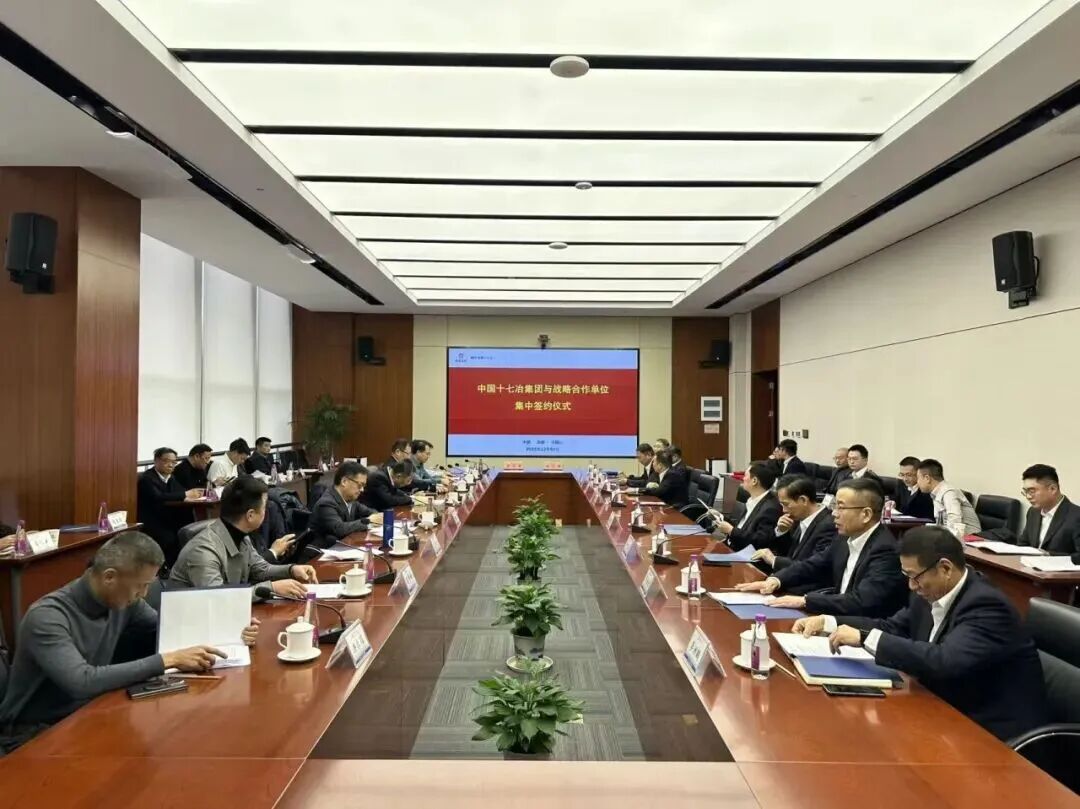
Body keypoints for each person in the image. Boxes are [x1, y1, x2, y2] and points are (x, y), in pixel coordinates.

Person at [794, 526, 1048, 741]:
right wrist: (829, 622)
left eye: (914, 577)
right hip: (941, 706)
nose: (911, 586)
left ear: (945, 568)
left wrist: (864, 638)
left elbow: (944, 660)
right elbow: (891, 627)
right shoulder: (929, 592)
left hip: (988, 729)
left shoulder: (986, 605)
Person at [0, 532, 236, 751]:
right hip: (32, 734)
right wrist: (167, 660)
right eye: (141, 586)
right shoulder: (47, 617)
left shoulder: (124, 601)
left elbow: (169, 629)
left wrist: (235, 631)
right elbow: (81, 681)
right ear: (109, 577)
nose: (144, 595)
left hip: (88, 715)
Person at [737, 478, 907, 618]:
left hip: (858, 627)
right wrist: (776, 580)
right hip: (835, 615)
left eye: (841, 507)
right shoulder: (844, 538)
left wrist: (806, 601)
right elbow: (813, 565)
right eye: (834, 506)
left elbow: (862, 601)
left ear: (866, 514)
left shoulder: (885, 550)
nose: (834, 513)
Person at [169, 477, 316, 600]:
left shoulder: (241, 535)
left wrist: (291, 570)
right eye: (264, 507)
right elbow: (217, 598)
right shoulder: (203, 551)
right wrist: (272, 588)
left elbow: (260, 569)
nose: (266, 512)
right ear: (250, 515)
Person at [751, 475, 837, 572]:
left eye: (786, 504)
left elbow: (814, 568)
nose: (784, 510)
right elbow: (791, 555)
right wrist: (782, 531)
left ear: (803, 500)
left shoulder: (829, 526)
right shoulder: (800, 517)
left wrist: (774, 560)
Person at [136, 447, 204, 567]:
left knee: (192, 528)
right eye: (167, 461)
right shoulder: (147, 478)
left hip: (169, 517)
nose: (171, 465)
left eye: (174, 462)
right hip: (153, 520)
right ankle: (168, 568)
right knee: (171, 538)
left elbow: (179, 491)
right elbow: (158, 496)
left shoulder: (171, 477)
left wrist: (189, 495)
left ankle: (187, 564)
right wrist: (185, 495)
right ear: (156, 461)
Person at [309, 462, 383, 550]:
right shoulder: (326, 503)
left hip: (343, 547)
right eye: (360, 485)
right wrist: (369, 521)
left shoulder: (351, 500)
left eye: (363, 486)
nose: (362, 490)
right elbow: (340, 529)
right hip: (323, 552)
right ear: (344, 481)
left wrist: (376, 518)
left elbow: (371, 512)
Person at [713, 462, 782, 551]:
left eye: (745, 475)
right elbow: (743, 527)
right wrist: (720, 517)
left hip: (744, 554)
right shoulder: (752, 499)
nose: (743, 478)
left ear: (754, 481)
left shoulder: (770, 509)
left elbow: (760, 542)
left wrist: (731, 531)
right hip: (731, 545)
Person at [1018, 464, 1080, 554]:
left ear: (1053, 489)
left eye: (1032, 491)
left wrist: (1050, 555)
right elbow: (1023, 544)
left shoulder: (1076, 516)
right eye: (1025, 491)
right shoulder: (1033, 512)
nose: (1028, 496)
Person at [916, 459, 981, 539]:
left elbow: (955, 522)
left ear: (927, 478)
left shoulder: (948, 492)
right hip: (954, 536)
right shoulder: (936, 493)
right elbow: (942, 524)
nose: (917, 482)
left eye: (918, 478)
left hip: (970, 539)